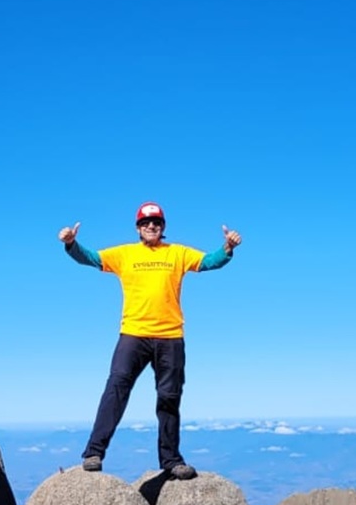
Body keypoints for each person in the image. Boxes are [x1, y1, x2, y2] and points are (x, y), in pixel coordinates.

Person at [59, 201, 242, 479]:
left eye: (156, 222)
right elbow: (92, 259)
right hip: (134, 334)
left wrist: (228, 248)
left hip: (170, 336)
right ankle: (94, 452)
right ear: (138, 228)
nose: (151, 226)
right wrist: (72, 244)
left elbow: (208, 262)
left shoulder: (177, 253)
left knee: (169, 398)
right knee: (116, 389)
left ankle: (171, 460)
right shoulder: (124, 254)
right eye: (146, 223)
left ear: (163, 226)